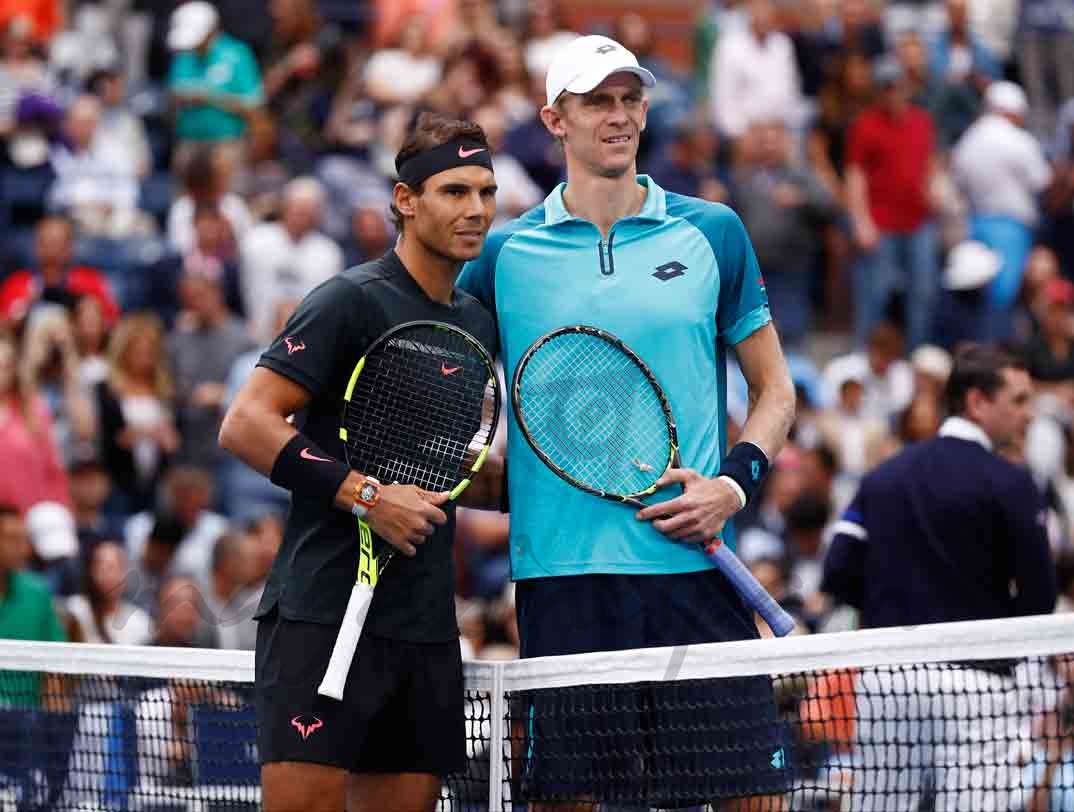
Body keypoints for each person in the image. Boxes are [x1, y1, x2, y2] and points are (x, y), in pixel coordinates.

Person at [458, 33, 796, 810]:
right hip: (565, 584)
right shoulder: (503, 254)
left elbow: (775, 391)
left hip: (696, 575)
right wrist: (488, 484)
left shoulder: (713, 232)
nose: (619, 116)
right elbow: (445, 388)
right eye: (596, 101)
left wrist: (732, 489)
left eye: (629, 99)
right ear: (555, 119)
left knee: (755, 800)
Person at [218, 112, 501, 812]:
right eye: (454, 191)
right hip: (322, 611)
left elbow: (447, 470)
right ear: (406, 201)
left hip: (427, 624)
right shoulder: (348, 299)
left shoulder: (476, 321)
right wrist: (369, 497)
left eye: (487, 192)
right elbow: (245, 422)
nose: (476, 210)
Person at [822, 344, 1058, 811]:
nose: (1029, 415)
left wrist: (894, 612)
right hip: (976, 685)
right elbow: (1041, 598)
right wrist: (987, 629)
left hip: (888, 679)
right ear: (976, 401)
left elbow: (839, 571)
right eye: (1018, 400)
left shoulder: (882, 478)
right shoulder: (1011, 483)